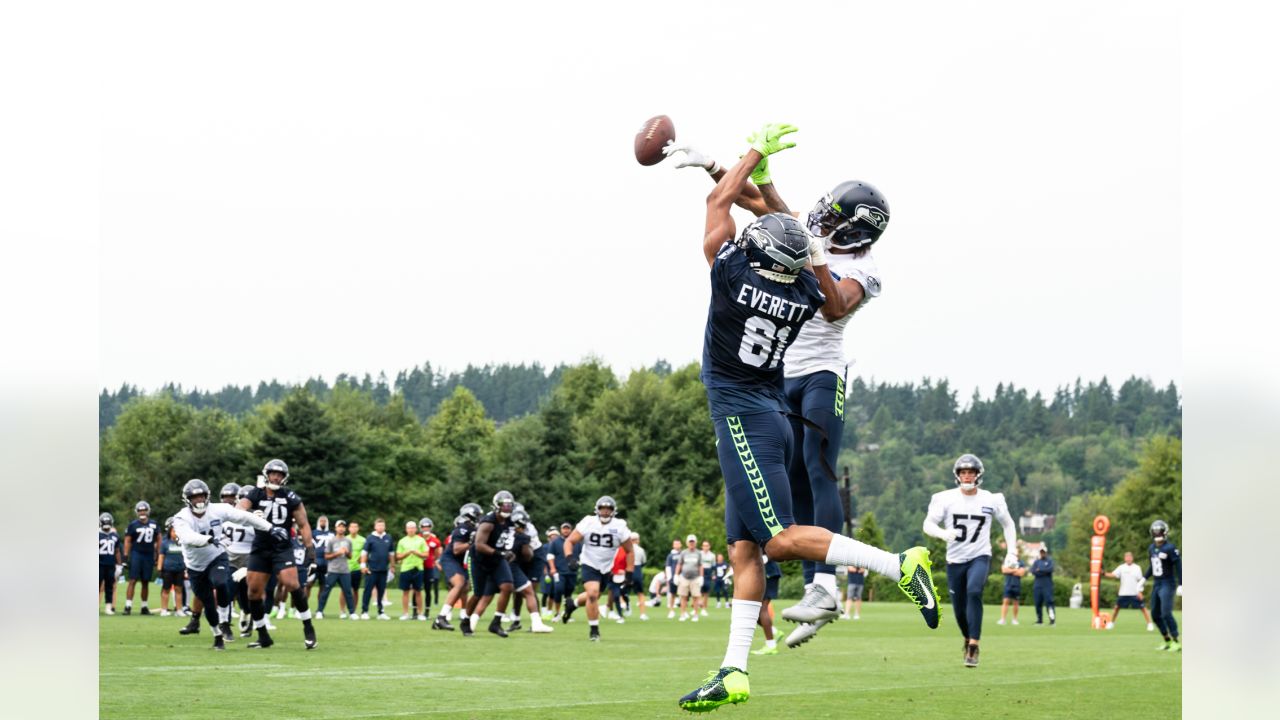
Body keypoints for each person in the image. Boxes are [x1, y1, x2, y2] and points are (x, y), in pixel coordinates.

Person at [673, 125, 937, 712]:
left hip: (753, 412)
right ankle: (733, 672)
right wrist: (729, 167)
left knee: (780, 539)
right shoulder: (800, 295)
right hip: (767, 401)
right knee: (745, 552)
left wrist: (749, 158)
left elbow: (743, 214)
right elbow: (772, 223)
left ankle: (899, 565)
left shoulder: (732, 276)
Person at [668, 140, 888, 649]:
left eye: (834, 218)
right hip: (777, 374)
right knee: (781, 490)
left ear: (856, 230)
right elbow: (766, 209)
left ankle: (826, 586)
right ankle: (806, 589)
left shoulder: (863, 268)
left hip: (820, 372)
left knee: (818, 466)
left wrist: (743, 169)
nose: (821, 220)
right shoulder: (807, 246)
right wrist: (719, 167)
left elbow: (834, 306)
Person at [922, 454, 1019, 668]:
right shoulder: (944, 498)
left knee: (974, 590)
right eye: (963, 473)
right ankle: (967, 638)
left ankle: (974, 646)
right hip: (955, 560)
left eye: (971, 472)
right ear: (957, 476)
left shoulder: (991, 499)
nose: (967, 476)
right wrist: (943, 534)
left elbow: (1008, 524)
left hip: (980, 555)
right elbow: (927, 524)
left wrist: (1012, 552)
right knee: (959, 609)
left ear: (978, 475)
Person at [173, 479, 273, 650]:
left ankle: (225, 622)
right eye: (194, 497)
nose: (198, 500)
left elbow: (244, 516)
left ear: (207, 496)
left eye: (201, 496)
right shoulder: (181, 517)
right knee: (208, 603)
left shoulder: (218, 509)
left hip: (216, 556)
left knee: (221, 583)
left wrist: (270, 528)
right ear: (188, 499)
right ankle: (217, 634)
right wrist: (210, 539)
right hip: (195, 565)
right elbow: (188, 537)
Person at [236, 458, 318, 649]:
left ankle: (308, 626)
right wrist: (249, 515)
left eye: (280, 474)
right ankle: (263, 635)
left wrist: (310, 550)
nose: (276, 477)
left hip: (281, 548)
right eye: (273, 473)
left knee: (291, 583)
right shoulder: (255, 493)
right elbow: (240, 509)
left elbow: (304, 524)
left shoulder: (290, 496)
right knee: (253, 592)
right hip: (260, 547)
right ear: (266, 474)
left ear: (284, 478)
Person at [561, 496, 634, 641]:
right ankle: (594, 630)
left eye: (609, 509)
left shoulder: (620, 526)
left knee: (593, 596)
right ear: (597, 509)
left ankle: (572, 604)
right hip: (589, 562)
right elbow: (570, 541)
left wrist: (629, 572)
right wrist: (570, 558)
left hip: (607, 567)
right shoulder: (588, 521)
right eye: (603, 508)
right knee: (593, 594)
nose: (605, 512)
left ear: (614, 511)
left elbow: (629, 551)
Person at [463, 491, 518, 638]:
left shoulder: (510, 521)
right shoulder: (488, 521)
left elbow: (507, 538)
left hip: (496, 559)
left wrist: (509, 551)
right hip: (479, 560)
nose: (507, 509)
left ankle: (496, 622)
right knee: (478, 594)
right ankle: (465, 620)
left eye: (509, 506)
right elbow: (479, 544)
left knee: (508, 587)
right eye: (504, 506)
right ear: (496, 506)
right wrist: (500, 553)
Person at [432, 505, 480, 631]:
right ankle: (441, 617)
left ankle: (447, 619)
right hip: (450, 559)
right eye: (477, 515)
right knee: (459, 584)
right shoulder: (463, 528)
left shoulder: (473, 528)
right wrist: (471, 543)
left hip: (460, 562)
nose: (479, 518)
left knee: (465, 588)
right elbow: (456, 549)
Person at [505, 509, 554, 633]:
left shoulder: (530, 530)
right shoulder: (509, 528)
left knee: (530, 589)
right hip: (520, 555)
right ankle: (516, 620)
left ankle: (536, 622)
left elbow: (528, 555)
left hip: (534, 556)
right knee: (519, 589)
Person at [1146, 520, 1183, 651]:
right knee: (1155, 615)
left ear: (1164, 532)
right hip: (1157, 583)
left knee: (1166, 613)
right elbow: (1152, 565)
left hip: (1168, 583)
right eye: (1155, 531)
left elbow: (1178, 565)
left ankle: (1176, 641)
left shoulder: (1170, 548)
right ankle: (1167, 640)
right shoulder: (1151, 548)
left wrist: (1181, 583)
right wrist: (1143, 579)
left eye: (1159, 531)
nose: (1157, 533)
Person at [123, 500, 160, 615]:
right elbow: (127, 541)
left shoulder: (154, 524)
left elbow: (159, 539)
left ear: (148, 511)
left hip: (148, 555)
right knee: (132, 580)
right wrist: (125, 557)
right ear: (137, 512)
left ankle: (144, 606)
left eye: (144, 510)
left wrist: (158, 555)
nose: (142, 512)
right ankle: (128, 606)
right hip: (136, 554)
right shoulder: (133, 525)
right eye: (140, 510)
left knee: (145, 581)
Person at [316, 519, 356, 620]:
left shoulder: (348, 541)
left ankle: (352, 613)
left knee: (348, 592)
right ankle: (319, 611)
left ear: (345, 529)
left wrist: (346, 553)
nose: (341, 528)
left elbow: (350, 556)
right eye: (339, 526)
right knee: (326, 591)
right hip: (333, 570)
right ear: (336, 528)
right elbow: (326, 556)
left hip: (345, 571)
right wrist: (337, 553)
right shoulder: (331, 540)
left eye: (343, 527)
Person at [1105, 551, 1152, 630]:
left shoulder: (1137, 568)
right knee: (1116, 608)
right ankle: (1111, 623)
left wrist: (1140, 592)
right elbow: (1113, 574)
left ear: (1132, 558)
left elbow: (1140, 581)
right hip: (1123, 593)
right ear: (1125, 558)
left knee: (1143, 608)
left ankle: (1149, 624)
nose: (1128, 558)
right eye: (1127, 557)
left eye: (1130, 557)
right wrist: (1104, 573)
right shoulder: (1121, 567)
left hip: (1135, 593)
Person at [359, 518, 395, 620]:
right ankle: (364, 611)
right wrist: (363, 566)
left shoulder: (388, 537)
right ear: (375, 527)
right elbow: (364, 553)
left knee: (381, 592)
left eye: (382, 525)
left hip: (383, 570)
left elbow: (391, 554)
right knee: (367, 591)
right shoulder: (370, 538)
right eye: (379, 525)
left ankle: (381, 612)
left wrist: (392, 566)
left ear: (385, 527)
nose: (381, 527)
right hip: (371, 570)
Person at [396, 520, 429, 621]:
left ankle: (420, 613)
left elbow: (426, 555)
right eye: (409, 528)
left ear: (416, 529)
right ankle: (405, 613)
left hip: (418, 568)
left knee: (418, 591)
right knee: (405, 592)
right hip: (405, 569)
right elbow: (398, 556)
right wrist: (407, 553)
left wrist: (416, 552)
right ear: (406, 529)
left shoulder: (421, 540)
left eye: (413, 528)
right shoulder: (402, 541)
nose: (411, 530)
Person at [751, 555, 783, 655]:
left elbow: (771, 548)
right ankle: (774, 632)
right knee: (753, 611)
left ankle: (771, 645)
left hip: (768, 572)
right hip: (763, 572)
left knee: (761, 609)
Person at [156, 518, 187, 616]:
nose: (175, 533)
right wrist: (159, 569)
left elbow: (186, 556)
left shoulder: (182, 543)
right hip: (168, 570)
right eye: (174, 531)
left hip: (179, 569)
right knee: (166, 590)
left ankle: (179, 610)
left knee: (179, 590)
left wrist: (186, 569)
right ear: (170, 532)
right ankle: (164, 610)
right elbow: (161, 556)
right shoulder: (165, 543)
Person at [674, 534, 704, 622]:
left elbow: (700, 565)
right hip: (684, 577)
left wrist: (701, 576)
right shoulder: (684, 552)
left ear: (695, 543)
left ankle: (695, 615)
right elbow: (679, 564)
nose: (691, 543)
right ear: (687, 543)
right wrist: (676, 574)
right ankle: (683, 614)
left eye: (693, 542)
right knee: (683, 596)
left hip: (695, 578)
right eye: (690, 542)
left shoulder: (698, 553)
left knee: (695, 597)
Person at [99, 513, 122, 615]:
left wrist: (119, 565)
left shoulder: (115, 536)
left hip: (110, 565)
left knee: (109, 587)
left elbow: (117, 551)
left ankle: (108, 607)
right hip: (99, 564)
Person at [308, 515, 333, 606]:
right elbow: (309, 547)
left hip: (327, 564)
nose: (323, 523)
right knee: (308, 584)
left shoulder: (331, 534)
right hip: (315, 563)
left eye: (324, 521)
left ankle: (320, 609)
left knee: (323, 586)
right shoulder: (313, 533)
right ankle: (304, 607)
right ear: (319, 522)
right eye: (321, 521)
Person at [419, 517, 443, 612]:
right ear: (421, 527)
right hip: (418, 567)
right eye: (424, 527)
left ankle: (427, 612)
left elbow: (437, 554)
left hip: (429, 567)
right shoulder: (417, 538)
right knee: (417, 590)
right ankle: (415, 612)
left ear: (430, 527)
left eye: (427, 526)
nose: (426, 528)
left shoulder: (435, 540)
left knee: (428, 589)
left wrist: (433, 561)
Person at [343, 520, 365, 617]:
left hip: (357, 568)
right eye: (352, 527)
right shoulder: (344, 539)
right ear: (349, 528)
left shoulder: (363, 540)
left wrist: (361, 561)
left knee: (355, 590)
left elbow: (365, 553)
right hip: (345, 568)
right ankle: (342, 611)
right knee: (344, 590)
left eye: (355, 527)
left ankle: (353, 611)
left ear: (358, 528)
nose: (354, 529)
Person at [1029, 547, 1056, 627]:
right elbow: (1033, 571)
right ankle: (1039, 620)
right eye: (1041, 552)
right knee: (1038, 603)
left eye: (1043, 552)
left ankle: (1052, 620)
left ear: (1046, 553)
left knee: (1049, 603)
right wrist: (1042, 571)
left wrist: (1040, 570)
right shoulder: (1036, 562)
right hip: (1037, 586)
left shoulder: (1049, 561)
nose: (1042, 554)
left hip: (1047, 586)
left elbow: (1050, 570)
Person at [998, 556, 1025, 625]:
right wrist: (1015, 570)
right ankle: (1003, 619)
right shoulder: (1007, 560)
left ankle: (1015, 620)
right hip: (1008, 584)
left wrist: (1009, 570)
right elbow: (1004, 570)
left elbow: (1021, 573)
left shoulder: (1020, 562)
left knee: (1016, 602)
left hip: (1016, 585)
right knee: (1005, 601)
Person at [629, 532, 649, 621]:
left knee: (623, 592)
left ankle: (624, 609)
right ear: (637, 540)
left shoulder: (625, 549)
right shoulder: (641, 550)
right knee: (640, 594)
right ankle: (642, 614)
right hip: (637, 570)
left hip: (628, 570)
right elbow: (643, 562)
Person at [665, 539, 682, 618]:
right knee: (673, 594)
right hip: (673, 577)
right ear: (673, 545)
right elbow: (668, 567)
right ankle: (671, 610)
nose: (677, 545)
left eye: (678, 544)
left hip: (682, 577)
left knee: (683, 595)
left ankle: (683, 611)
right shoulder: (670, 555)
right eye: (675, 544)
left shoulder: (683, 554)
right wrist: (669, 578)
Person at [699, 540, 716, 616]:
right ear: (702, 547)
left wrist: (713, 575)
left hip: (708, 574)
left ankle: (704, 609)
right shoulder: (699, 554)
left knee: (706, 593)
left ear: (709, 547)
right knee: (697, 592)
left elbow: (713, 567)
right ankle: (696, 607)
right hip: (699, 574)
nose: (705, 547)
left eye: (707, 545)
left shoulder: (712, 555)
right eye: (704, 545)